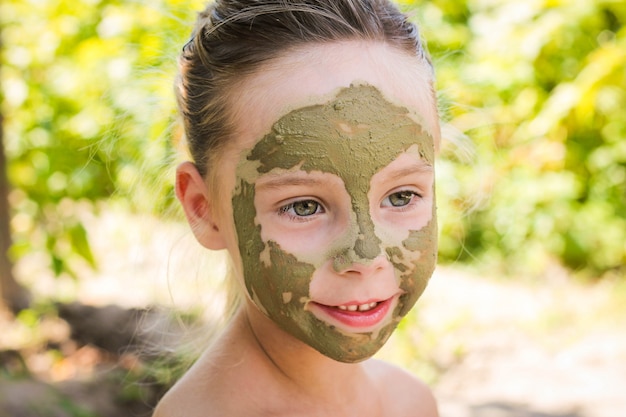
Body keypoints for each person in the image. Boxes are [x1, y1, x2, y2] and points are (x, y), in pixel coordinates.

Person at [154, 0, 441, 415]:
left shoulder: (410, 402)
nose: (366, 256)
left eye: (401, 196)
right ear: (205, 209)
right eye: (304, 206)